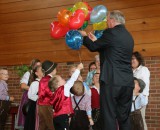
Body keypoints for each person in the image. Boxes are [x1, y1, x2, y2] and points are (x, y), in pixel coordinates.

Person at [79, 10, 134, 130]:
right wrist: (96, 41)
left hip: (112, 81)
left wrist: (84, 37)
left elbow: (93, 47)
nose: (107, 22)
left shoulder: (110, 32)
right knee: (124, 117)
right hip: (127, 83)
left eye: (107, 20)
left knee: (109, 116)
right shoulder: (129, 36)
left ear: (112, 20)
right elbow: (111, 51)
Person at [48, 63, 83, 130]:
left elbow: (68, 97)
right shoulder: (64, 89)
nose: (63, 79)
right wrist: (78, 68)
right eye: (61, 79)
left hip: (55, 118)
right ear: (58, 84)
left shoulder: (54, 93)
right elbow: (72, 79)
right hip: (63, 117)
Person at [16, 59, 41, 129]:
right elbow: (23, 86)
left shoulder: (42, 74)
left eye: (40, 65)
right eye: (37, 65)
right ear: (33, 66)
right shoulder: (28, 73)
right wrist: (34, 88)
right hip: (29, 96)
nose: (39, 66)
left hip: (38, 97)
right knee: (29, 115)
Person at [132, 51, 150, 130]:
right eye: (130, 59)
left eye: (133, 59)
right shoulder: (130, 71)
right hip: (131, 100)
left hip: (140, 99)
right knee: (133, 122)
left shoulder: (144, 69)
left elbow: (143, 85)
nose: (131, 61)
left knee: (140, 121)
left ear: (138, 59)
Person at [37, 60, 57, 130]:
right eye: (55, 68)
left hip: (41, 105)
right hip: (47, 104)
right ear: (52, 70)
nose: (56, 69)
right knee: (51, 125)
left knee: (43, 125)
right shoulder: (48, 79)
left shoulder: (43, 79)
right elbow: (49, 92)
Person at [24, 65, 44, 130]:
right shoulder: (35, 83)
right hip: (35, 106)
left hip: (42, 106)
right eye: (41, 70)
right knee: (34, 123)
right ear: (36, 73)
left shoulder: (45, 82)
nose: (43, 71)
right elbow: (30, 95)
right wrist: (41, 97)